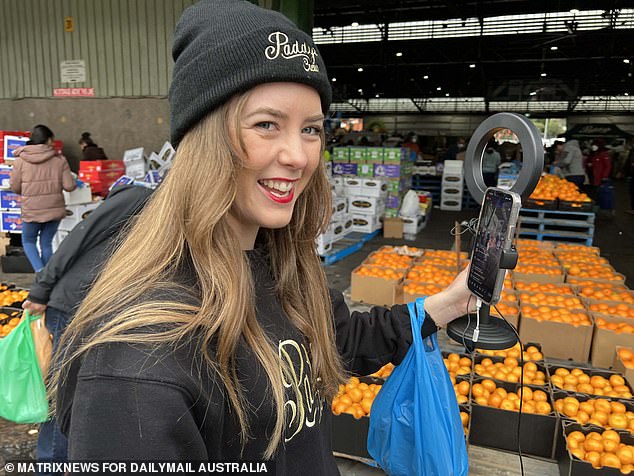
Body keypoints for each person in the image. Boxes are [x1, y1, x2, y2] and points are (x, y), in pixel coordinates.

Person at [52, 1, 474, 471]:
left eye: (311, 129)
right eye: (266, 125)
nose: (298, 156)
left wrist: (450, 304)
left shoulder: (282, 263)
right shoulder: (139, 362)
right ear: (204, 138)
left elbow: (339, 340)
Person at [22, 183, 154, 476]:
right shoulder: (139, 197)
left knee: (86, 399)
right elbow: (78, 238)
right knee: (62, 399)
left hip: (108, 315)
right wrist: (40, 291)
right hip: (73, 305)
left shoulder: (179, 216)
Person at [10, 125, 76, 272]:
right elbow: (69, 186)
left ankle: (40, 274)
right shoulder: (60, 160)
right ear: (48, 140)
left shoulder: (20, 161)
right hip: (54, 209)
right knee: (46, 243)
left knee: (28, 241)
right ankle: (48, 277)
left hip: (31, 210)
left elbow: (15, 187)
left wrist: (28, 192)